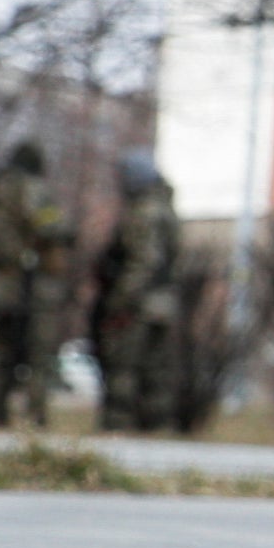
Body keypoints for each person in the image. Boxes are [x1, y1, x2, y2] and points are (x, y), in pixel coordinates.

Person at [88, 150, 192, 438]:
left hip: (140, 303)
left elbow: (144, 262)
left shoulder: (144, 213)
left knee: (124, 364)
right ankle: (158, 427)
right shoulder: (166, 209)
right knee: (156, 369)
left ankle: (117, 424)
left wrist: (122, 300)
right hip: (162, 302)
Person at [0, 138, 73, 431]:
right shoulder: (33, 188)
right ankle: (35, 418)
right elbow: (50, 227)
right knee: (38, 356)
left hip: (1, 283)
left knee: (2, 354)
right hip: (31, 285)